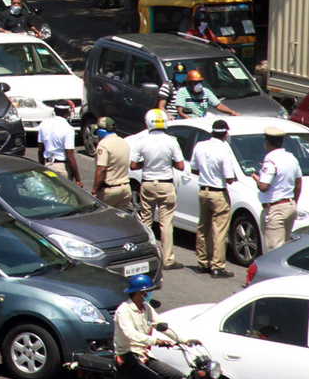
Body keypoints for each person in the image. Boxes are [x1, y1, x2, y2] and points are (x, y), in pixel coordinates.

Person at [114, 273, 185, 379]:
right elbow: (131, 334)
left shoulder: (146, 307)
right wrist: (155, 341)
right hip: (127, 356)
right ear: (138, 293)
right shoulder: (123, 311)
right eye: (145, 292)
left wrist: (183, 340)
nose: (147, 295)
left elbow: (161, 325)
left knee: (176, 376)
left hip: (144, 355)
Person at [130, 108, 186, 269]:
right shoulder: (171, 141)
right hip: (166, 184)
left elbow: (133, 165)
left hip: (147, 183)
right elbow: (181, 165)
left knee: (146, 221)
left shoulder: (142, 141)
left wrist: (146, 164)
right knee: (166, 223)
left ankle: (147, 255)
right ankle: (168, 259)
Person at [190, 119, 241, 277]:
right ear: (225, 133)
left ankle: (203, 262)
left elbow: (194, 168)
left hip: (203, 191)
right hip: (218, 192)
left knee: (203, 227)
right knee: (219, 230)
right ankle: (217, 266)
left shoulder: (200, 145)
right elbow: (229, 177)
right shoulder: (224, 149)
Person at [251, 125, 303, 252]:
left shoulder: (270, 160)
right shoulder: (291, 157)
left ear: (267, 142)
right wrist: (294, 202)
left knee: (274, 250)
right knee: (285, 248)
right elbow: (298, 183)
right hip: (289, 206)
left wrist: (256, 178)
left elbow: (264, 186)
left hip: (275, 209)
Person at [90, 117, 135, 210]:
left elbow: (101, 169)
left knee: (104, 220)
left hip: (109, 191)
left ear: (101, 131)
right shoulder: (123, 142)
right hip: (125, 188)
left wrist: (94, 190)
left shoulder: (103, 145)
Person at [36, 102, 79, 182]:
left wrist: (41, 168)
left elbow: (40, 150)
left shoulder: (44, 124)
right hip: (62, 168)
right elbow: (70, 156)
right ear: (67, 113)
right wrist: (78, 179)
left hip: (48, 165)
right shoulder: (68, 128)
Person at [170, 69, 237, 119]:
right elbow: (180, 111)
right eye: (195, 83)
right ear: (189, 83)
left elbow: (218, 105)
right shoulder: (182, 92)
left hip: (202, 119)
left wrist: (232, 112)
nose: (198, 85)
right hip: (186, 121)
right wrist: (189, 119)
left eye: (199, 82)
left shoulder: (206, 91)